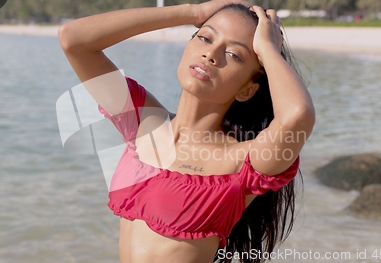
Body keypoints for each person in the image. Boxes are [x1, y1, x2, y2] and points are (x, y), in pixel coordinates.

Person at [58, 1, 315, 262]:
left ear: (247, 89)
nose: (211, 54)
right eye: (204, 37)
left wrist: (268, 49)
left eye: (234, 55)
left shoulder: (241, 162)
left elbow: (297, 115)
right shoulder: (143, 123)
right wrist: (192, 12)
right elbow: (74, 40)